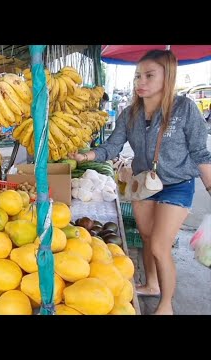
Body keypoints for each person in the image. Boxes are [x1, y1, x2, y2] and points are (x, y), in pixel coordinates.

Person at [68, 50, 211, 315]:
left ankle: (166, 304)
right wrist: (85, 155)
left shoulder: (184, 109)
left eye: (148, 75)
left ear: (167, 77)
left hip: (178, 184)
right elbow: (112, 146)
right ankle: (152, 284)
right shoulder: (130, 113)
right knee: (146, 237)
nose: (140, 82)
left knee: (159, 245)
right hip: (144, 183)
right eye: (137, 76)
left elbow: (201, 153)